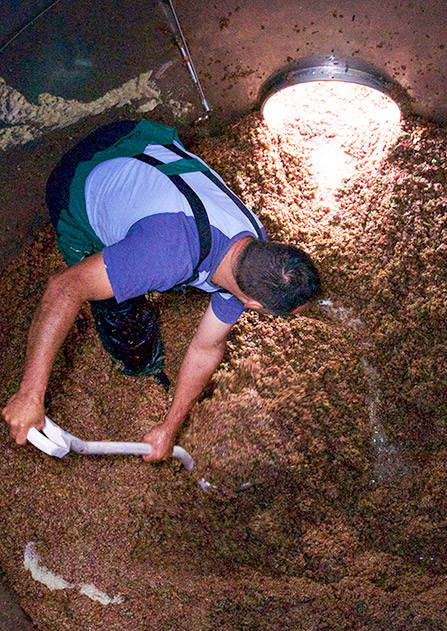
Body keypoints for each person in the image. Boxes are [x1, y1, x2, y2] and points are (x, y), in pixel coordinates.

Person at [2, 119, 321, 462]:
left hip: (141, 141)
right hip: (79, 178)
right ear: (253, 303)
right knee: (115, 304)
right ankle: (138, 363)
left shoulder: (252, 247)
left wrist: (170, 426)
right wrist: (30, 394)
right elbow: (64, 287)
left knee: (137, 267)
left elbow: (206, 346)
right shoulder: (168, 256)